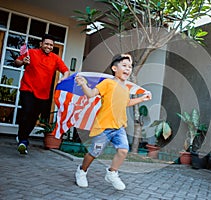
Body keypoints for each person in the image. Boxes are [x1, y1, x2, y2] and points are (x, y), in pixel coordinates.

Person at [74, 53, 152, 190]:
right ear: (114, 68)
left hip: (119, 127)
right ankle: (81, 171)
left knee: (123, 151)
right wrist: (83, 85)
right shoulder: (107, 83)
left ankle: (112, 173)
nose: (128, 69)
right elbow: (91, 94)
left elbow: (126, 102)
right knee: (94, 153)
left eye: (130, 66)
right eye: (124, 65)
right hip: (104, 126)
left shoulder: (125, 88)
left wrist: (141, 99)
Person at [14, 34, 70, 154]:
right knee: (27, 111)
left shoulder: (55, 58)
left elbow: (66, 71)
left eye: (51, 45)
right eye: (46, 44)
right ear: (41, 44)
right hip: (27, 88)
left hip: (43, 94)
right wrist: (23, 61)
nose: (49, 46)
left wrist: (63, 79)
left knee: (33, 118)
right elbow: (17, 62)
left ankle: (23, 137)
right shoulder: (31, 53)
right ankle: (23, 140)